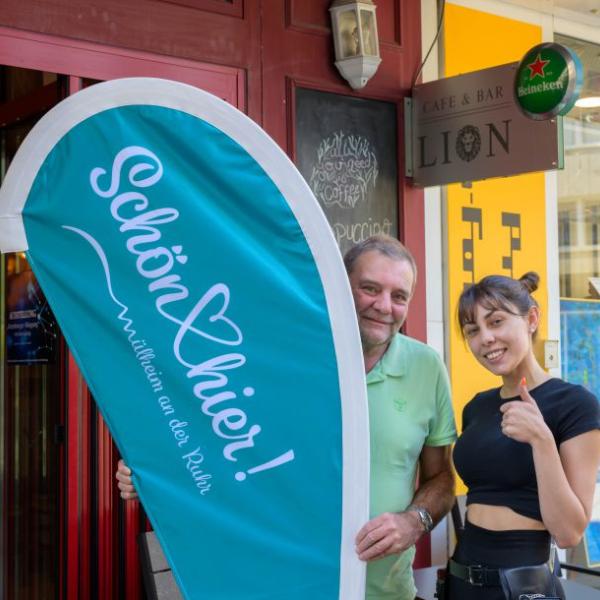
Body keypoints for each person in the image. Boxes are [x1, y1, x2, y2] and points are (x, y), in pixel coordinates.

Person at [116, 234, 458, 600]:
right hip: (279, 585)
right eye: (369, 288)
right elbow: (217, 437)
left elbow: (441, 478)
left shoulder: (427, 367)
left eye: (399, 296)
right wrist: (153, 471)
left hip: (386, 592)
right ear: (340, 285)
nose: (384, 306)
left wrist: (414, 521)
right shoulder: (286, 355)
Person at [449, 272, 600, 600]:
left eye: (497, 322)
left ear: (531, 319)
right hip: (461, 579)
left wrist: (542, 441)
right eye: (473, 330)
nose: (485, 338)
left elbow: (570, 532)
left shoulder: (575, 404)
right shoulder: (476, 407)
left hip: (522, 588)